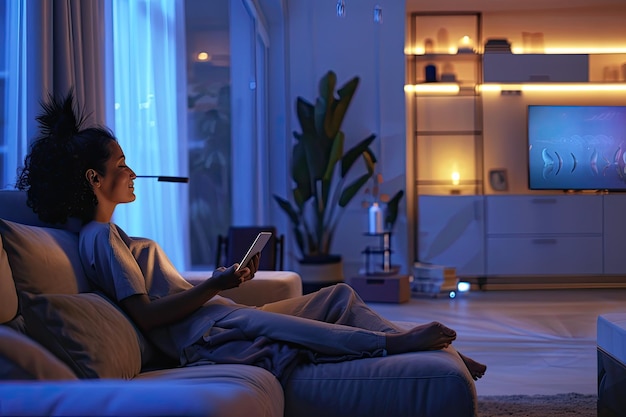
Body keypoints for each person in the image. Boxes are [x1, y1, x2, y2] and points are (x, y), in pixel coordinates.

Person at [16, 91, 486, 383]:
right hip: (206, 337)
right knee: (302, 328)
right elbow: (146, 315)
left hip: (219, 317)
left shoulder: (110, 233)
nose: (133, 171)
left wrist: (222, 288)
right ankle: (393, 346)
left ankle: (438, 353)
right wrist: (214, 286)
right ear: (95, 179)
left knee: (337, 296)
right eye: (121, 166)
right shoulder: (99, 238)